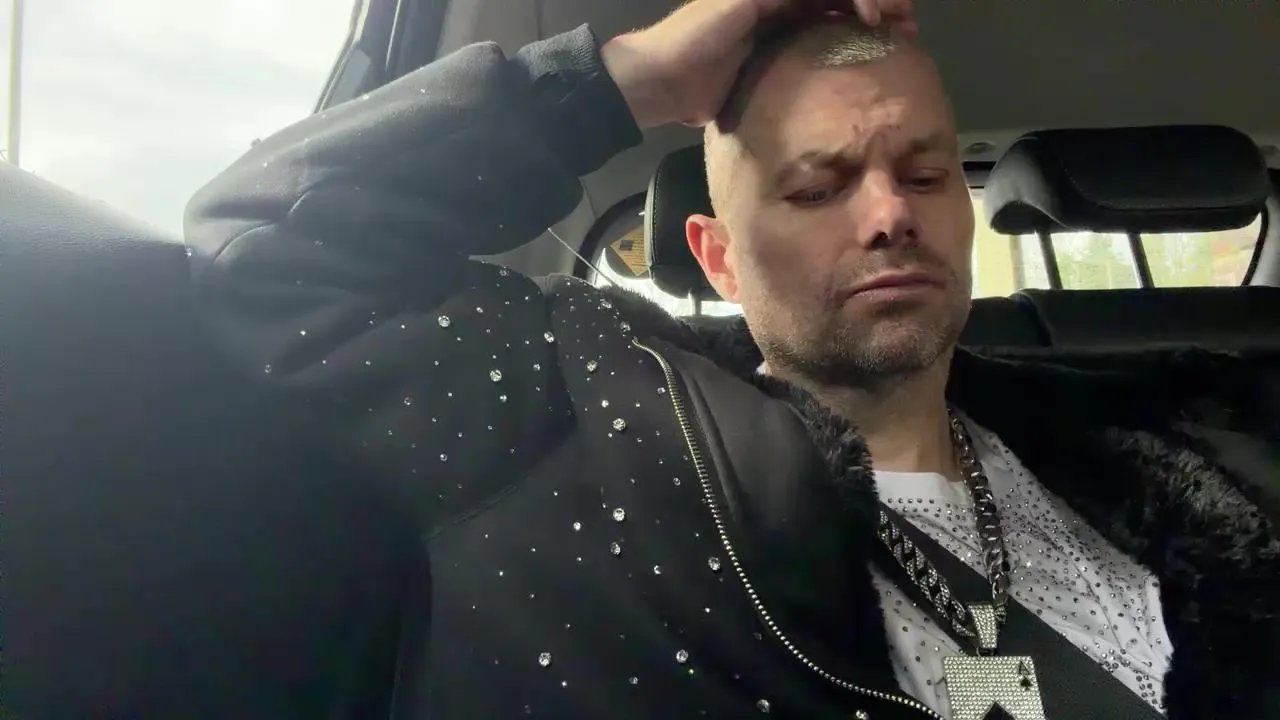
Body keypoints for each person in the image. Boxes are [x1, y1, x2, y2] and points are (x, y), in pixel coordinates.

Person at [185, 0, 1280, 717]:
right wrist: (626, 80)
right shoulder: (583, 418)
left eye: (926, 174)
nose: (889, 214)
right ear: (717, 259)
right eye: (816, 186)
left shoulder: (1179, 444)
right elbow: (268, 245)